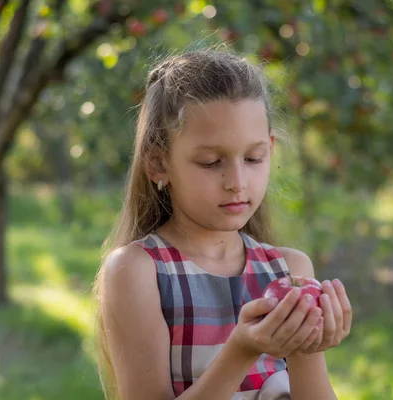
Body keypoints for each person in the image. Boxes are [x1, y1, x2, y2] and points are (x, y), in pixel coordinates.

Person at [93, 49, 352, 400]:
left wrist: (305, 348)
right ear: (158, 165)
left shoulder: (289, 269)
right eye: (211, 162)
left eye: (253, 158)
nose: (237, 181)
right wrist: (241, 351)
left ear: (270, 152)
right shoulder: (138, 270)